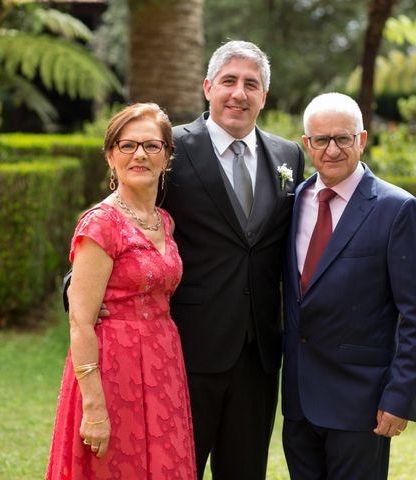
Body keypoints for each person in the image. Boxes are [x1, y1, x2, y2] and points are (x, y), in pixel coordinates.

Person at [163, 40, 305, 479]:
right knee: (178, 470)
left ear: (264, 96)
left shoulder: (289, 157)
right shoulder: (170, 150)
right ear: (208, 87)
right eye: (229, 81)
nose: (239, 93)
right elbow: (130, 216)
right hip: (189, 350)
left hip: (259, 355)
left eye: (251, 84)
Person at [281, 92, 416, 479]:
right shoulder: (295, 200)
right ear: (307, 144)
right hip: (299, 404)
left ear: (362, 140)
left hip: (360, 404)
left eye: (343, 138)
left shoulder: (398, 209)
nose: (331, 149)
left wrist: (401, 397)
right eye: (321, 140)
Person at [47, 103, 196, 479]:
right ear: (111, 156)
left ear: (167, 156)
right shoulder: (100, 224)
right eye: (127, 146)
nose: (140, 155)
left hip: (163, 362)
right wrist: (94, 407)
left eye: (151, 145)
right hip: (114, 367)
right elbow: (80, 321)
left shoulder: (164, 221)